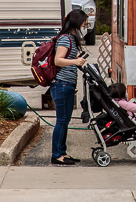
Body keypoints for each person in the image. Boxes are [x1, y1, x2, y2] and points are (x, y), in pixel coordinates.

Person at [50, 9, 88, 165]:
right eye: (84, 22)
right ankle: (56, 155)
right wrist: (75, 62)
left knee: (65, 121)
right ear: (76, 22)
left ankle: (62, 152)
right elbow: (57, 60)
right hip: (61, 84)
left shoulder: (71, 37)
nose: (85, 25)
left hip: (67, 84)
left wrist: (76, 59)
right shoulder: (65, 38)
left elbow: (66, 58)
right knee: (61, 121)